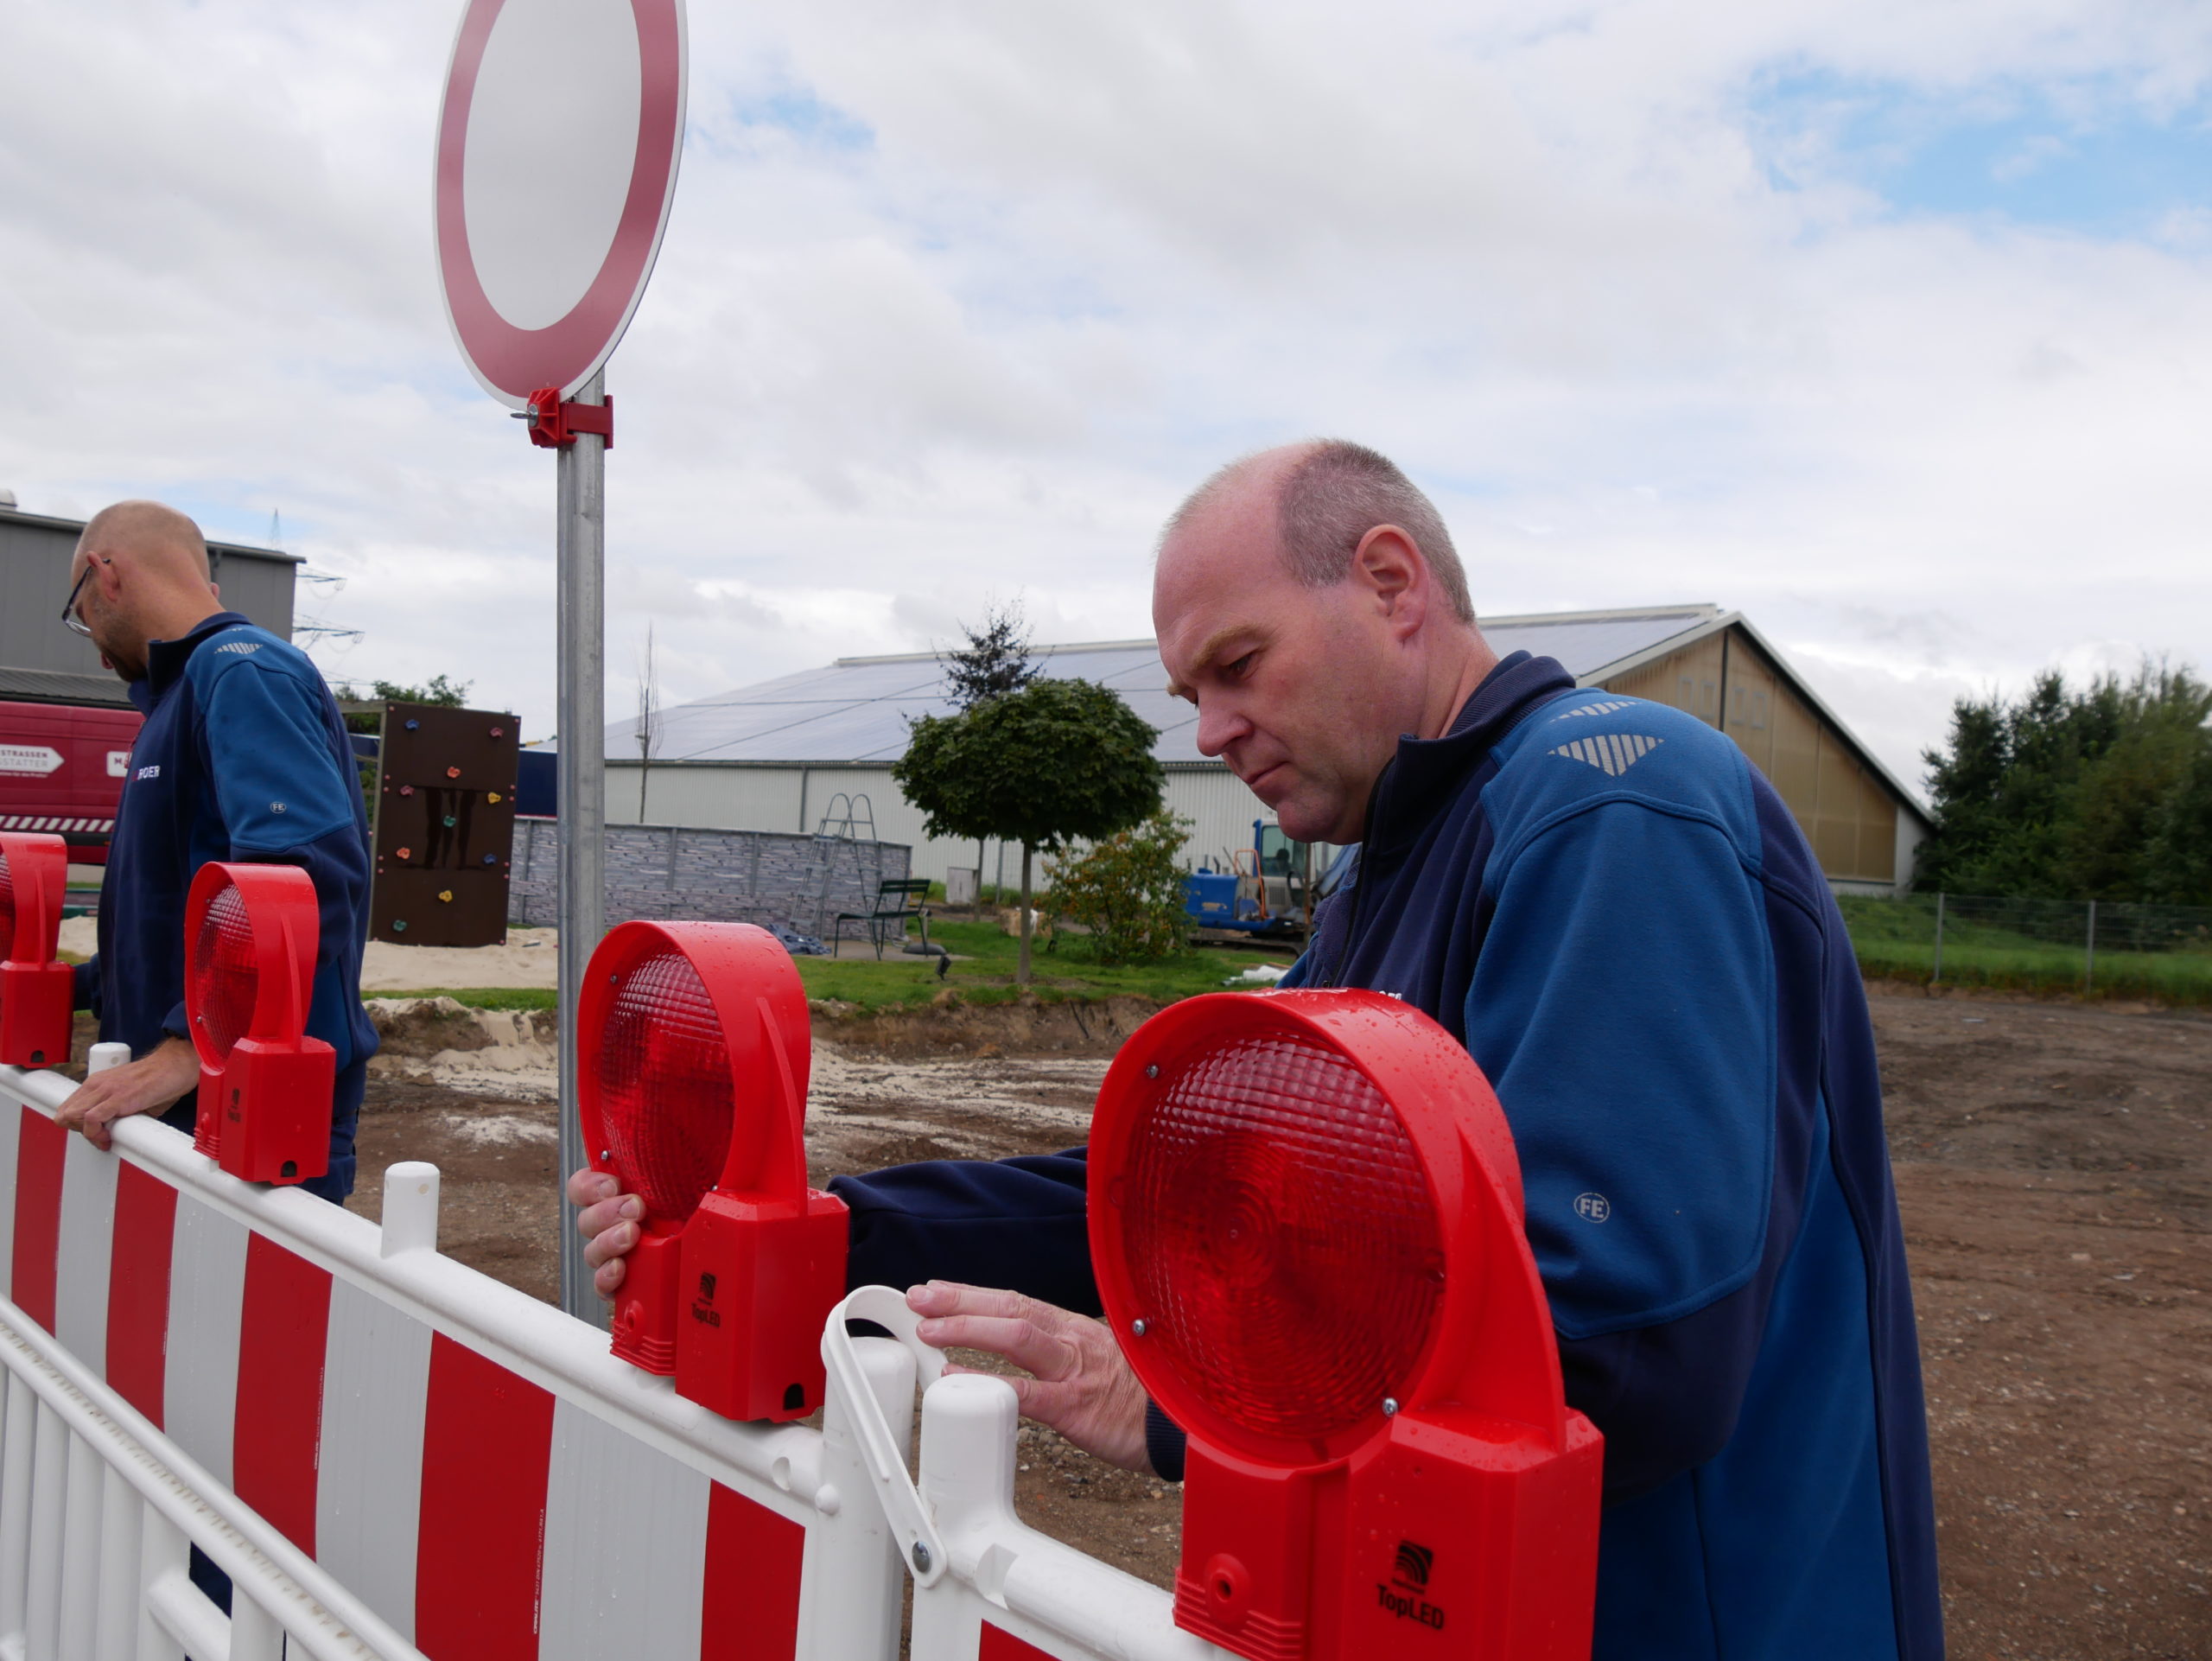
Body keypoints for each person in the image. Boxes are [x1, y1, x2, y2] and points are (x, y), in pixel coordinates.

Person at [571, 441, 1942, 1659]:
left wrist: (1180, 1409)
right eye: (1191, 692)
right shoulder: (1383, 877)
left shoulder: (1614, 799)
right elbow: (1195, 1202)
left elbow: (1618, 1348)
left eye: (1237, 665)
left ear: (1392, 581)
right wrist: (815, 1230)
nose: (1213, 730)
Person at [52, 500, 378, 1203]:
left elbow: (302, 884)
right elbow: (178, 922)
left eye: (80, 613)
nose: (92, 641)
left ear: (104, 576)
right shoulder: (184, 697)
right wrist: (76, 987)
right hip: (202, 1090)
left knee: (244, 1313)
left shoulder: (241, 673)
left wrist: (184, 1051)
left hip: (249, 1105)